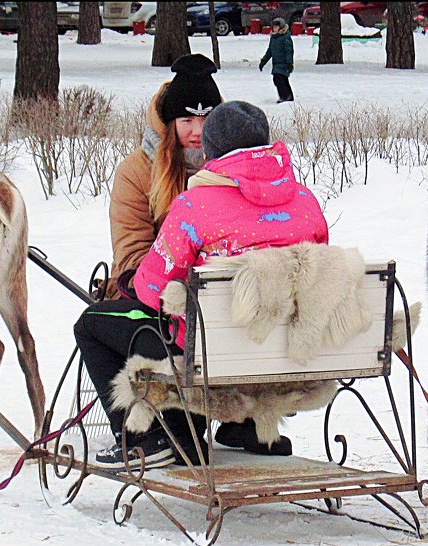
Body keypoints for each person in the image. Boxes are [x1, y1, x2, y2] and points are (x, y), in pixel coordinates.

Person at [75, 101, 329, 470]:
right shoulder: (306, 202)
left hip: (212, 357)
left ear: (210, 150)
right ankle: (248, 427)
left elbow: (152, 291)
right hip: (285, 356)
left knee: (93, 323)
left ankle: (149, 438)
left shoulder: (195, 206)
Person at [106, 53, 223, 299]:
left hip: (222, 292)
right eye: (187, 120)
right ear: (169, 124)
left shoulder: (230, 166)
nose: (198, 131)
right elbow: (132, 253)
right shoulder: (135, 172)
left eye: (207, 119)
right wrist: (181, 292)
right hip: (150, 293)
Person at [259, 17, 295, 103]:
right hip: (276, 64)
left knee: (280, 79)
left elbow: (289, 51)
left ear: (281, 27)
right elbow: (270, 51)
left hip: (284, 63)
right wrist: (263, 61)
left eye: (276, 27)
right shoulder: (274, 38)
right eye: (273, 27)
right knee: (278, 80)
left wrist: (290, 63)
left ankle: (286, 96)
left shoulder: (285, 37)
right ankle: (286, 96)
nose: (274, 28)